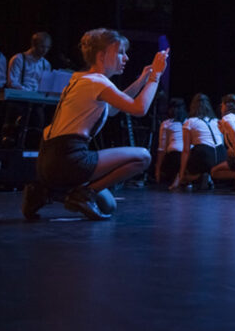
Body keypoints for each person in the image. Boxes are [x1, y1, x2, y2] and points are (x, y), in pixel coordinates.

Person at [21, 28, 166, 220]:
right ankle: (83, 194)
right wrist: (156, 75)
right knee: (143, 157)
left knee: (108, 204)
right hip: (69, 159)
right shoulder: (98, 83)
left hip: (48, 160)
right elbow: (139, 109)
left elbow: (113, 110)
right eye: (120, 52)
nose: (126, 58)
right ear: (102, 55)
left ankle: (44, 192)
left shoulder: (82, 79)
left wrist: (141, 81)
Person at [173, 93, 221, 190]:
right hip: (220, 154)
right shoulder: (216, 121)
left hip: (204, 154)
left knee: (185, 164)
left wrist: (181, 173)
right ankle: (208, 177)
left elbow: (186, 150)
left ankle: (198, 178)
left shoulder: (190, 122)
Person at [155, 98, 186, 185]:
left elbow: (162, 148)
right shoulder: (188, 122)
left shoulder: (166, 124)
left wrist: (157, 169)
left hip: (175, 155)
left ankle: (177, 177)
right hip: (189, 154)